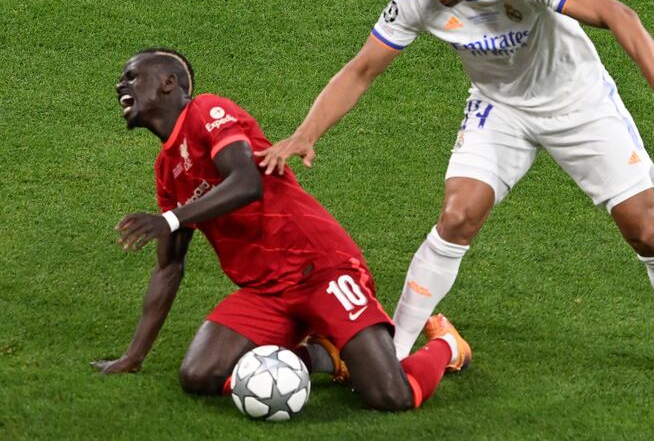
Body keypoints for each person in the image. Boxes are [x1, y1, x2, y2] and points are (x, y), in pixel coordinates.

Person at [257, 0, 654, 395]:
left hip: (578, 103)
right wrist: (307, 132)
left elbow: (617, 13)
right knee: (457, 216)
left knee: (647, 232)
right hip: (500, 108)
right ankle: (393, 351)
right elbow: (360, 70)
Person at [92, 48, 471, 412]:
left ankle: (447, 347)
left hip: (321, 270)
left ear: (168, 82)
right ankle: (322, 355)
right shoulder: (167, 170)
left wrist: (171, 219)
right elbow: (169, 267)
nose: (120, 86)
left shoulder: (207, 111)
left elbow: (246, 183)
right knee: (199, 375)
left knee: (391, 396)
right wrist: (133, 356)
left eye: (131, 77)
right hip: (266, 292)